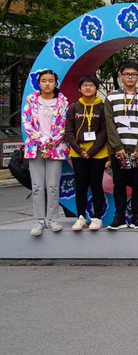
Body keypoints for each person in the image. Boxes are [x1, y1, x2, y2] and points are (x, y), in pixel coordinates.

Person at [104, 61, 138, 229]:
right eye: (126, 74)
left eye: (133, 74)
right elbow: (109, 124)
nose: (130, 77)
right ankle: (119, 217)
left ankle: (137, 217)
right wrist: (117, 148)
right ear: (120, 76)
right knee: (119, 184)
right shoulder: (111, 98)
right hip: (119, 151)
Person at [22, 70, 69, 236]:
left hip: (55, 149)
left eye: (50, 81)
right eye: (44, 81)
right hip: (35, 149)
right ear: (39, 83)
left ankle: (53, 219)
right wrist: (42, 144)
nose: (47, 84)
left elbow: (63, 126)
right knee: (37, 186)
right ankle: (39, 221)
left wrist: (50, 146)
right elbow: (28, 125)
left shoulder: (62, 103)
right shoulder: (31, 102)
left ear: (56, 83)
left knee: (53, 186)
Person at [64, 75, 110, 231]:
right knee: (81, 185)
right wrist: (81, 150)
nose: (88, 88)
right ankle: (80, 217)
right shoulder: (74, 107)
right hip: (78, 153)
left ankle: (97, 218)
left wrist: (91, 151)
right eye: (85, 85)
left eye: (91, 85)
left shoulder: (103, 107)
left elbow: (105, 131)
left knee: (96, 184)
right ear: (79, 89)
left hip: (98, 153)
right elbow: (68, 131)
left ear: (96, 88)